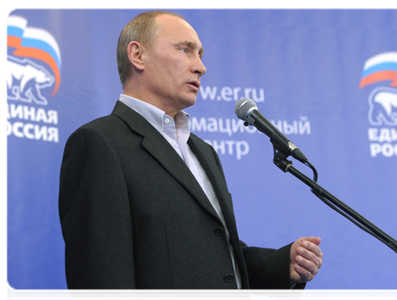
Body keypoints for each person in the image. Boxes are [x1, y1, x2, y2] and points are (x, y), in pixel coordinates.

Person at [59, 10, 323, 300]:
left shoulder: (202, 151)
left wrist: (281, 265)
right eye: (185, 50)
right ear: (137, 55)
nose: (200, 67)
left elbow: (214, 257)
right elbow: (102, 279)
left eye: (200, 54)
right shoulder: (99, 143)